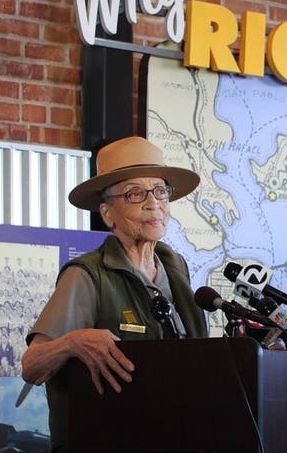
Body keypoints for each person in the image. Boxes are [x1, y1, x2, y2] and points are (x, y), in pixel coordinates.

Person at [20, 136, 208, 452]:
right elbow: (32, 366)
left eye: (160, 190)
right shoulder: (88, 274)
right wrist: (72, 342)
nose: (153, 203)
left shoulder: (176, 269)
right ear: (108, 214)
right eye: (135, 193)